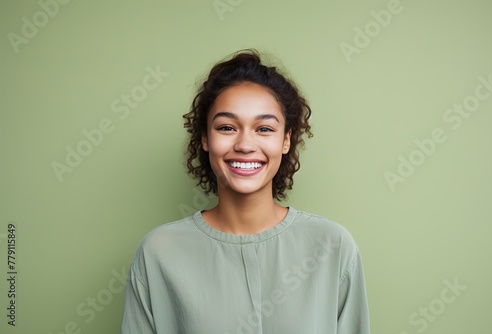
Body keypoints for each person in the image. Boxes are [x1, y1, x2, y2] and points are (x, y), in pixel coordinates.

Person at [121, 49, 370, 334]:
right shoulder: (158, 253)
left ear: (286, 140)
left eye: (264, 129)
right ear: (204, 138)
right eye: (227, 127)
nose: (245, 144)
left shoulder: (332, 247)